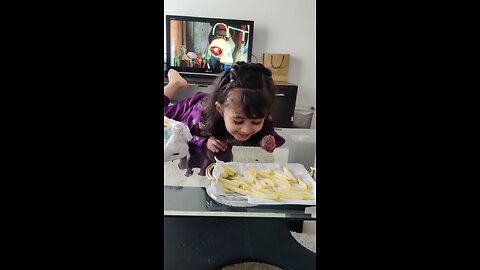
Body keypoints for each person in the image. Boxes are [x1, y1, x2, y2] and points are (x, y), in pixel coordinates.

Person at [164, 62, 285, 176]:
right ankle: (175, 83)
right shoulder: (202, 115)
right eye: (238, 121)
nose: (246, 129)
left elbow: (269, 133)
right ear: (220, 109)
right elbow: (185, 131)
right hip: (190, 110)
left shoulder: (259, 112)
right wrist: (205, 140)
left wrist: (267, 140)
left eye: (256, 122)